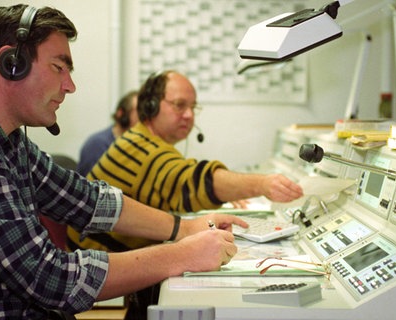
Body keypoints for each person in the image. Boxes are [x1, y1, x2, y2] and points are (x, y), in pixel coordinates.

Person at [0, 5, 246, 319]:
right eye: (59, 67)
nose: (70, 85)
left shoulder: (3, 137)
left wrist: (184, 229)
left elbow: (86, 200)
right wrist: (182, 255)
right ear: (12, 63)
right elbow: (48, 278)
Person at [66, 70, 304, 317]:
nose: (189, 115)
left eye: (193, 107)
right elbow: (191, 181)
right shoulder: (145, 149)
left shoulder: (140, 139)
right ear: (150, 106)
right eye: (179, 105)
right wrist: (262, 184)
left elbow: (182, 179)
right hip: (99, 278)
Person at [77, 90, 139, 176]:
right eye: (138, 111)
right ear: (121, 114)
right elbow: (94, 184)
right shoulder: (97, 144)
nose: (143, 117)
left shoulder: (137, 144)